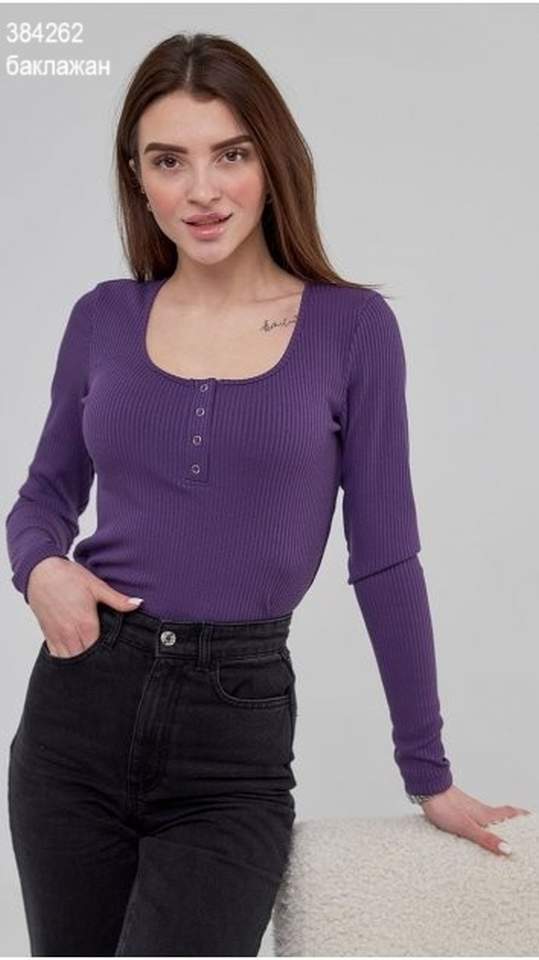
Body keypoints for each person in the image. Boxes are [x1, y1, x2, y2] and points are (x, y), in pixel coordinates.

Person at [6, 31, 530, 959]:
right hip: (76, 717)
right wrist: (41, 566)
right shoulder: (103, 317)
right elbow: (44, 494)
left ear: (271, 161)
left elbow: (384, 557)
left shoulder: (351, 328)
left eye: (230, 154)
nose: (201, 191)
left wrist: (426, 771)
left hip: (231, 737)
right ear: (137, 178)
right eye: (169, 161)